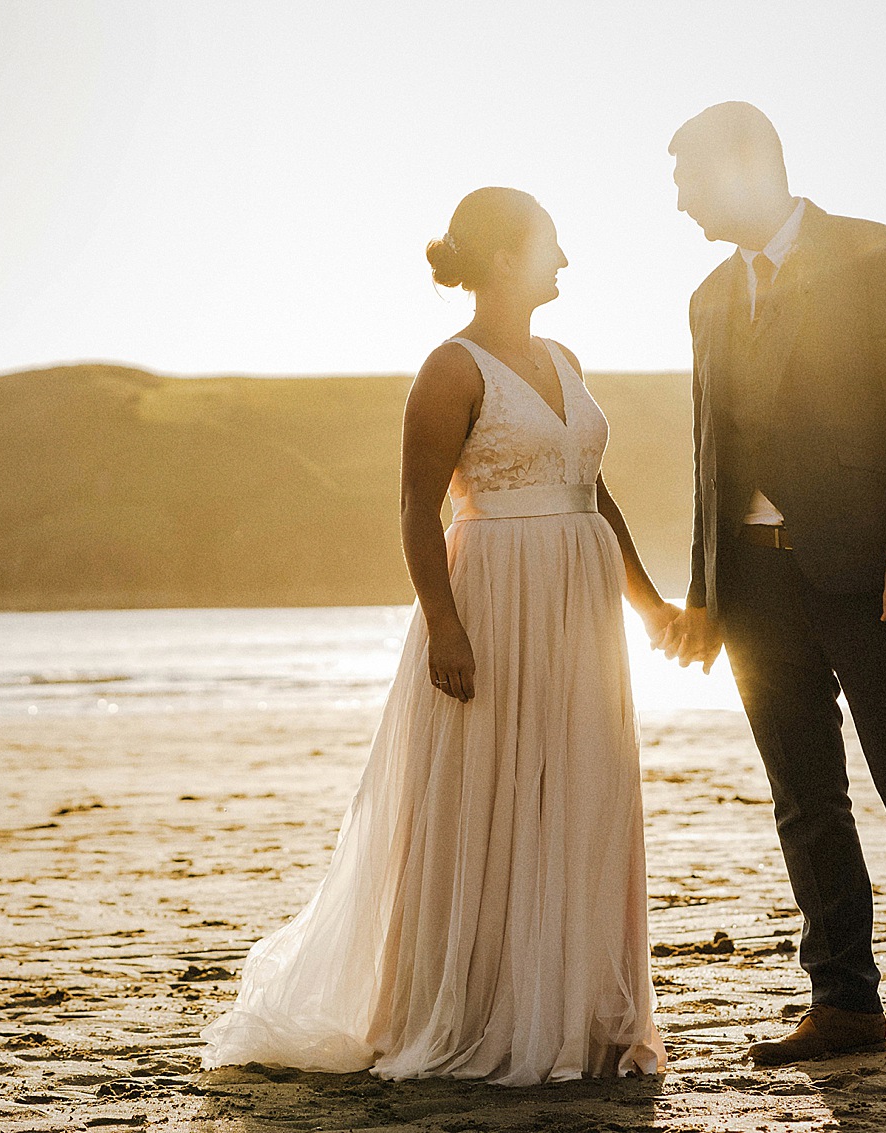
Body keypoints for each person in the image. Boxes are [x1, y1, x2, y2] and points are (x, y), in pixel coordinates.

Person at [200, 187, 672, 1084]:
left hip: (580, 608)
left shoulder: (566, 357)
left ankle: (573, 1012)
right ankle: (467, 1009)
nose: (566, 261)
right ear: (503, 258)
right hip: (495, 600)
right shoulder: (450, 371)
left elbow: (593, 493)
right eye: (551, 245)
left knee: (580, 790)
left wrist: (648, 606)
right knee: (483, 799)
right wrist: (445, 626)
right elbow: (418, 508)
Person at [663, 101, 886, 1068]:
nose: (681, 206)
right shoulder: (707, 296)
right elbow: (710, 451)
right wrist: (706, 589)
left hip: (870, 573)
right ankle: (844, 1001)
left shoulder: (875, 254)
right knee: (805, 797)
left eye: (688, 181)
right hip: (751, 586)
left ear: (746, 166)